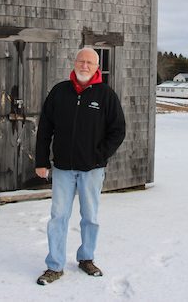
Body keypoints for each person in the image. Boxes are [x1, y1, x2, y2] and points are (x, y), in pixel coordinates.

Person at [34, 47, 126, 285]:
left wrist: (99, 156)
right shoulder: (59, 92)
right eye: (81, 61)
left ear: (97, 67)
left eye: (90, 63)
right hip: (63, 168)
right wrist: (42, 161)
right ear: (74, 63)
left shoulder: (106, 95)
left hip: (92, 170)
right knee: (58, 217)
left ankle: (86, 258)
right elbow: (45, 129)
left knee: (91, 217)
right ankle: (55, 266)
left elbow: (118, 130)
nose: (84, 65)